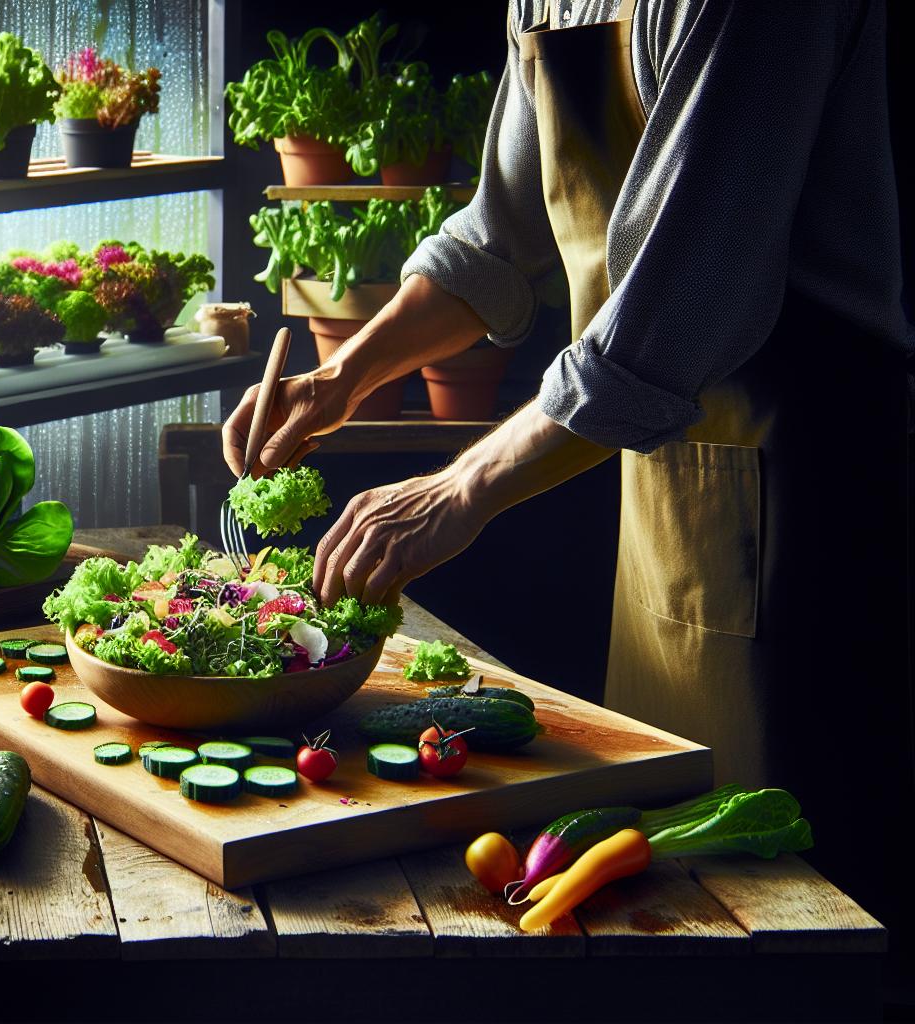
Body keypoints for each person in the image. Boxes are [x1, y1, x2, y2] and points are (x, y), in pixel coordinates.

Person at [224, 0, 910, 922]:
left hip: (807, 494)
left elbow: (679, 304)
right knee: (658, 870)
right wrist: (341, 377)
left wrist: (460, 484)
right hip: (662, 489)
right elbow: (496, 242)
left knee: (791, 893)